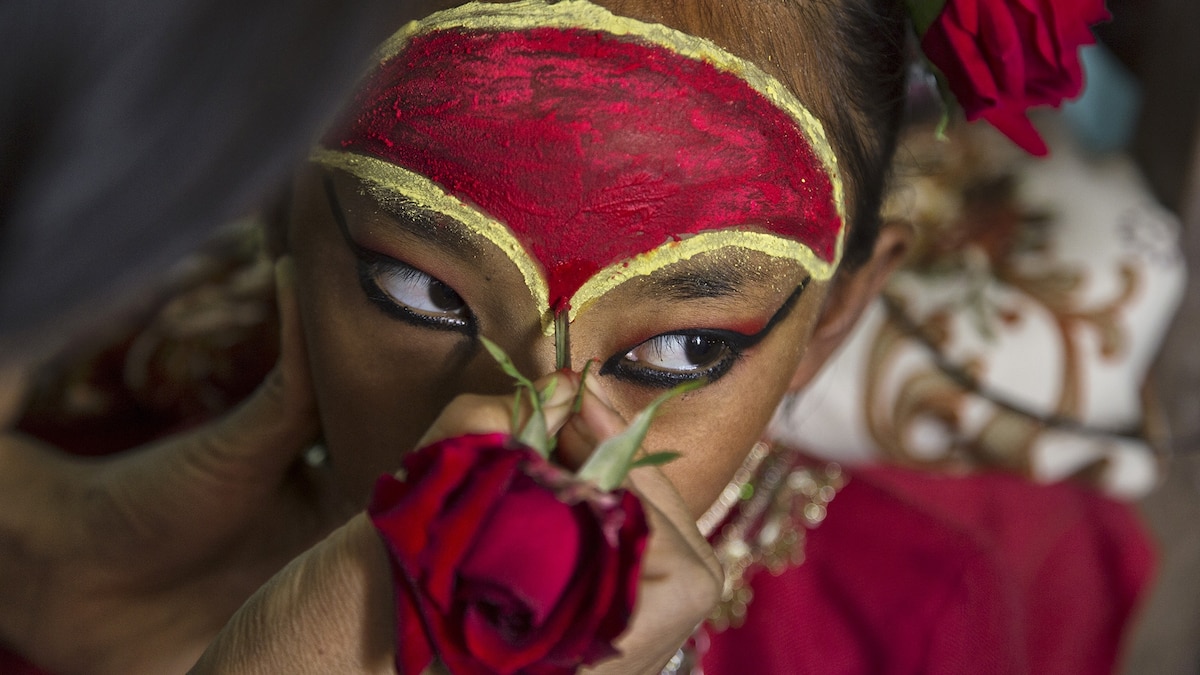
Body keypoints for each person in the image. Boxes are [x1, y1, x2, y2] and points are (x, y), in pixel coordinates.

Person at [0, 0, 1152, 673]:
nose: (506, 446)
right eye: (419, 288)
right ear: (275, 218)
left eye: (688, 350)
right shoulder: (78, 449)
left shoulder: (929, 622)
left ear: (832, 319)